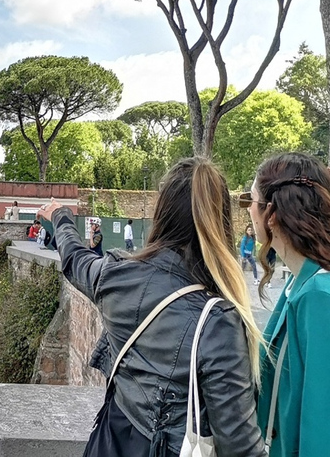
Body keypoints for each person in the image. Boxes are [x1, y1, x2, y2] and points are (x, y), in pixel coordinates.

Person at [38, 157, 266, 457]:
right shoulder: (218, 322)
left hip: (110, 442)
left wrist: (62, 218)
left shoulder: (114, 275)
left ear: (162, 213)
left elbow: (74, 260)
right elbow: (240, 447)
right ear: (221, 222)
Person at [243, 152, 330, 457]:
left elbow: (321, 428)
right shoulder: (299, 283)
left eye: (250, 201)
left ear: (273, 214)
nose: (248, 212)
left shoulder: (320, 296)